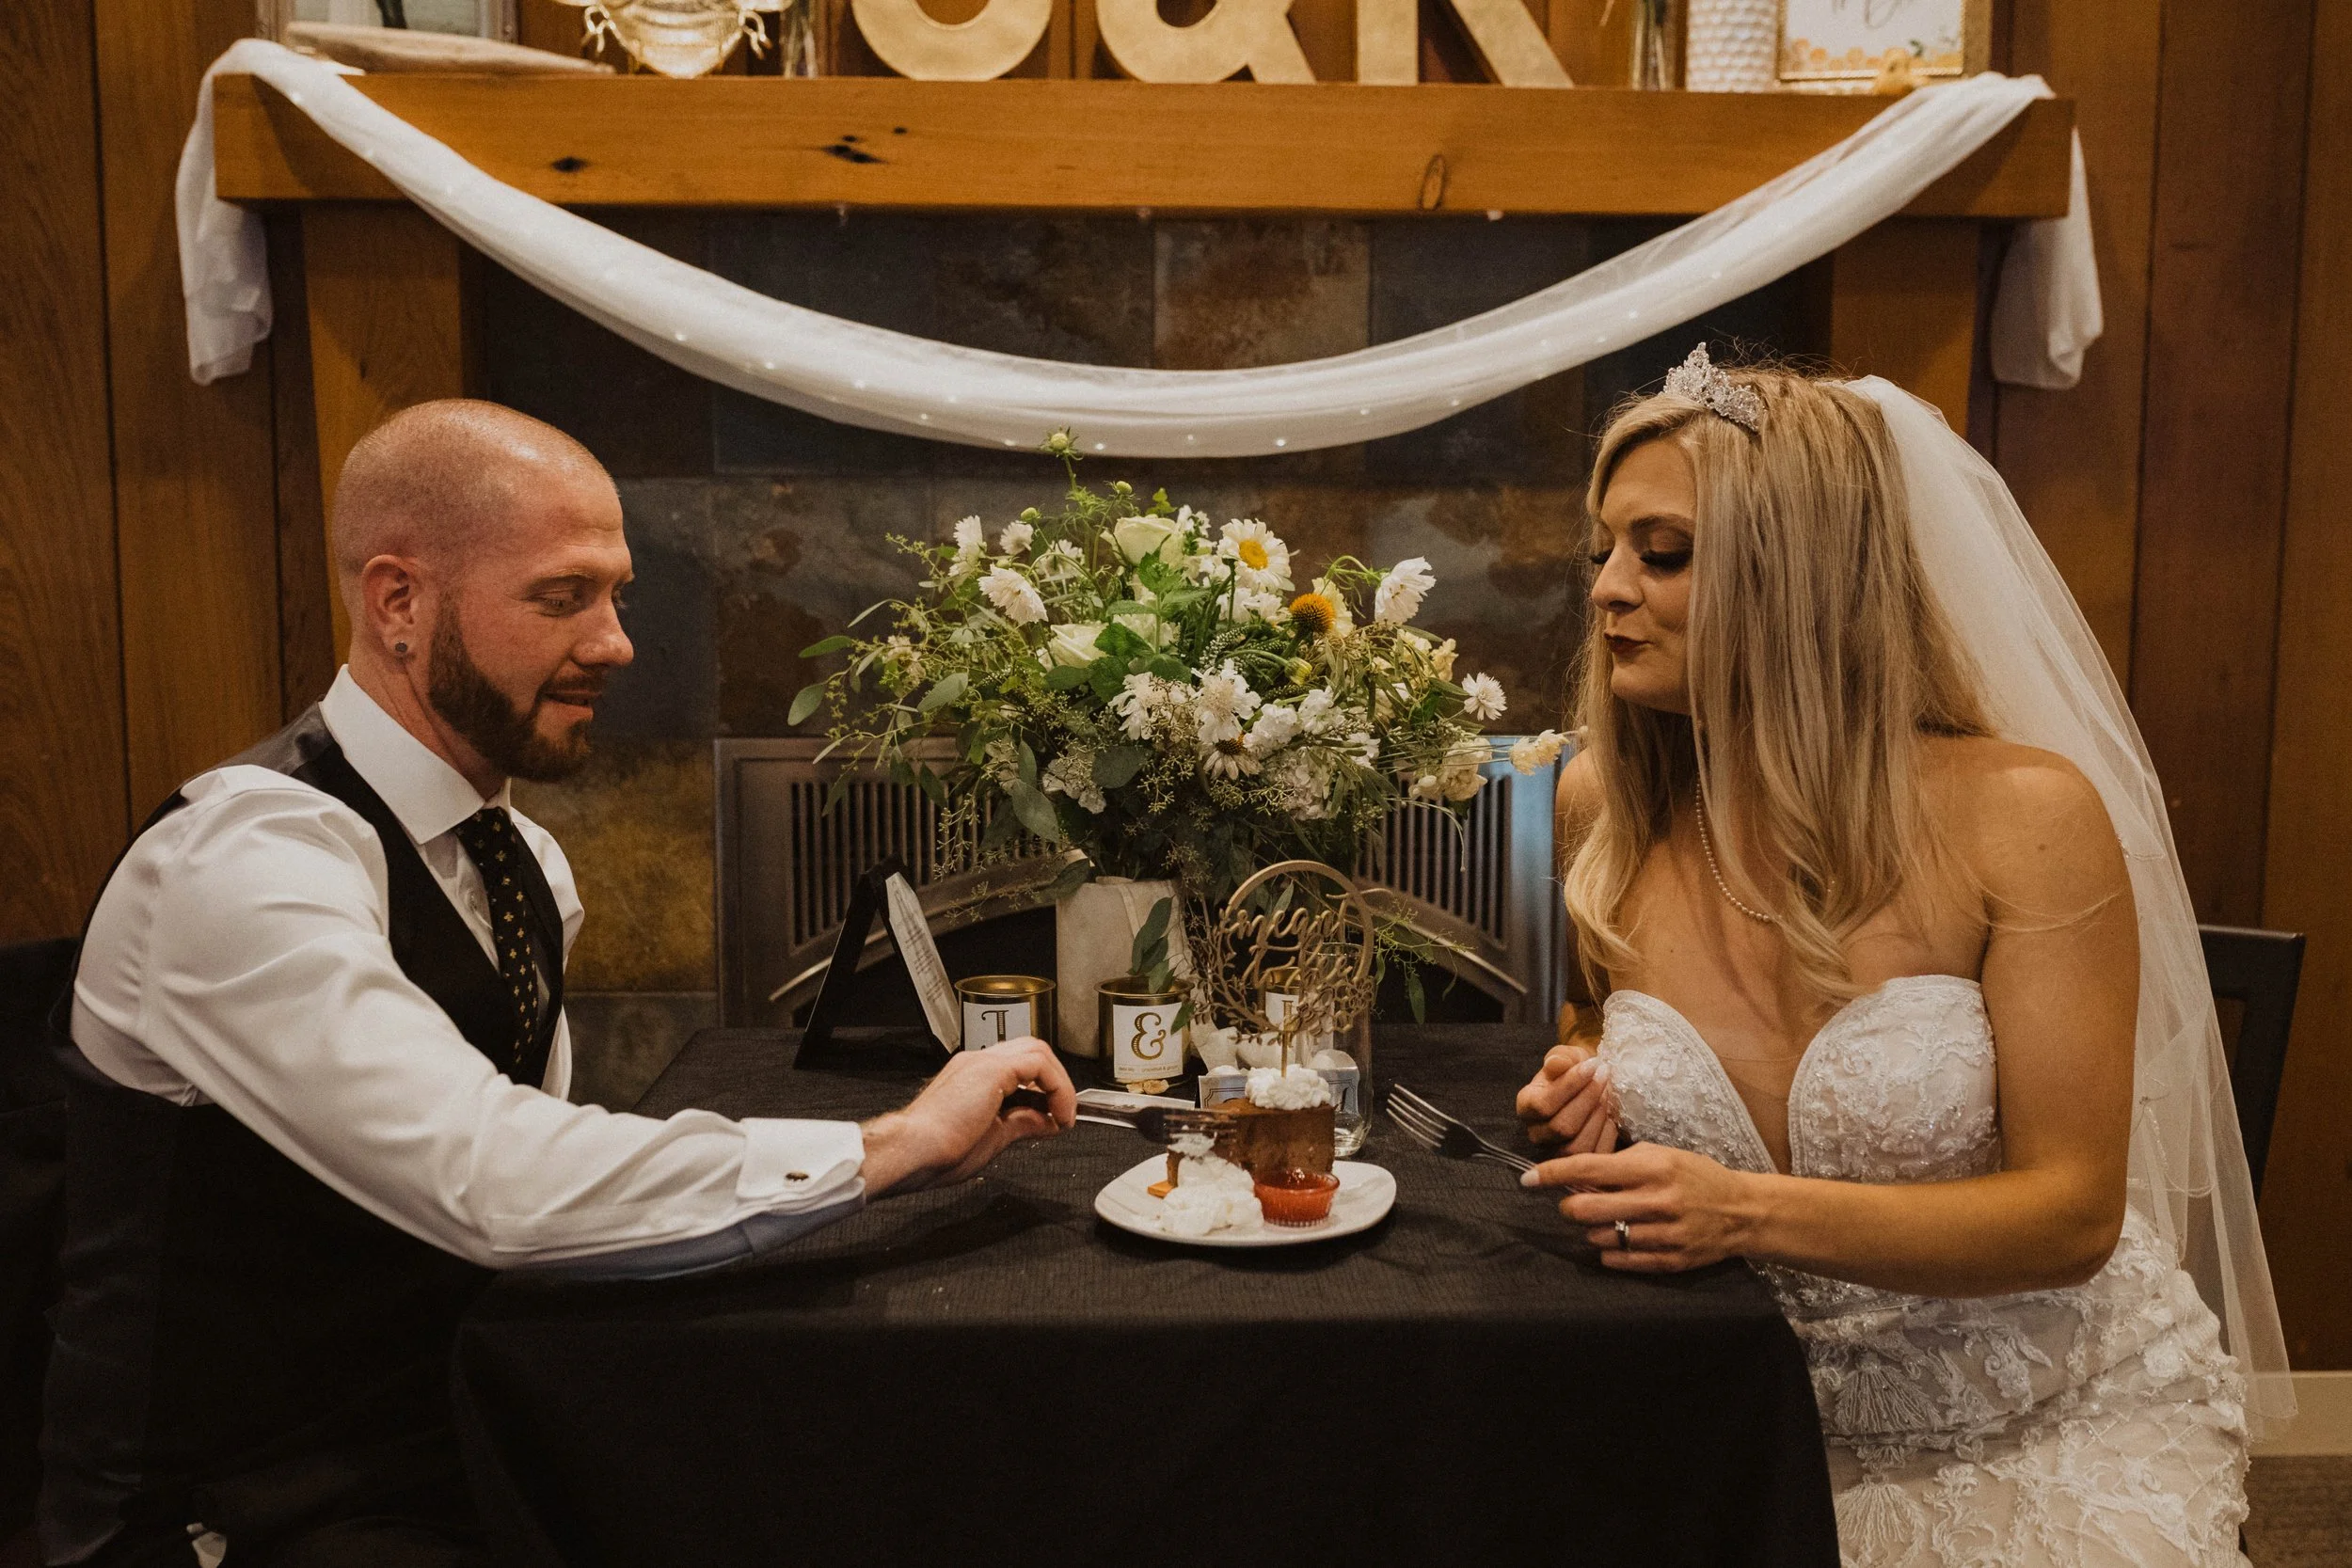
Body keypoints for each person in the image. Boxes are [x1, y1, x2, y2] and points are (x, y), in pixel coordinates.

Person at [41, 400, 1076, 1568]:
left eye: (616, 593)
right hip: (238, 1511)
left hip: (451, 1438)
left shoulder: (521, 857)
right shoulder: (243, 860)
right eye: (561, 595)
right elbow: (492, 1180)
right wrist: (893, 1148)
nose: (618, 640)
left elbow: (543, 1177)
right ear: (398, 604)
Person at [1515, 349, 2289, 1567]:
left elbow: (2073, 1213)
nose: (1609, 589)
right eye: (1604, 551)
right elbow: (1591, 1018)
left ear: (1803, 574)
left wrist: (1743, 1210)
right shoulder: (1606, 805)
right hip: (1740, 1410)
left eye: (1662, 552)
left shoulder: (2024, 817)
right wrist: (1583, 1088)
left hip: (2040, 1413)